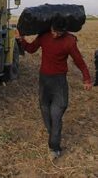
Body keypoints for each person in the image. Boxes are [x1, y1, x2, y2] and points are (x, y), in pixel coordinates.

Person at [17, 16, 93, 160]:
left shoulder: (69, 41)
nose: (55, 35)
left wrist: (87, 78)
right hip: (44, 80)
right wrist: (22, 40)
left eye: (59, 33)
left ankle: (54, 147)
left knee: (57, 113)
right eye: (54, 31)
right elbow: (32, 49)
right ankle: (53, 134)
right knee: (45, 110)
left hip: (59, 81)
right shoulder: (44, 36)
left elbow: (79, 61)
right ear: (50, 27)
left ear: (64, 31)